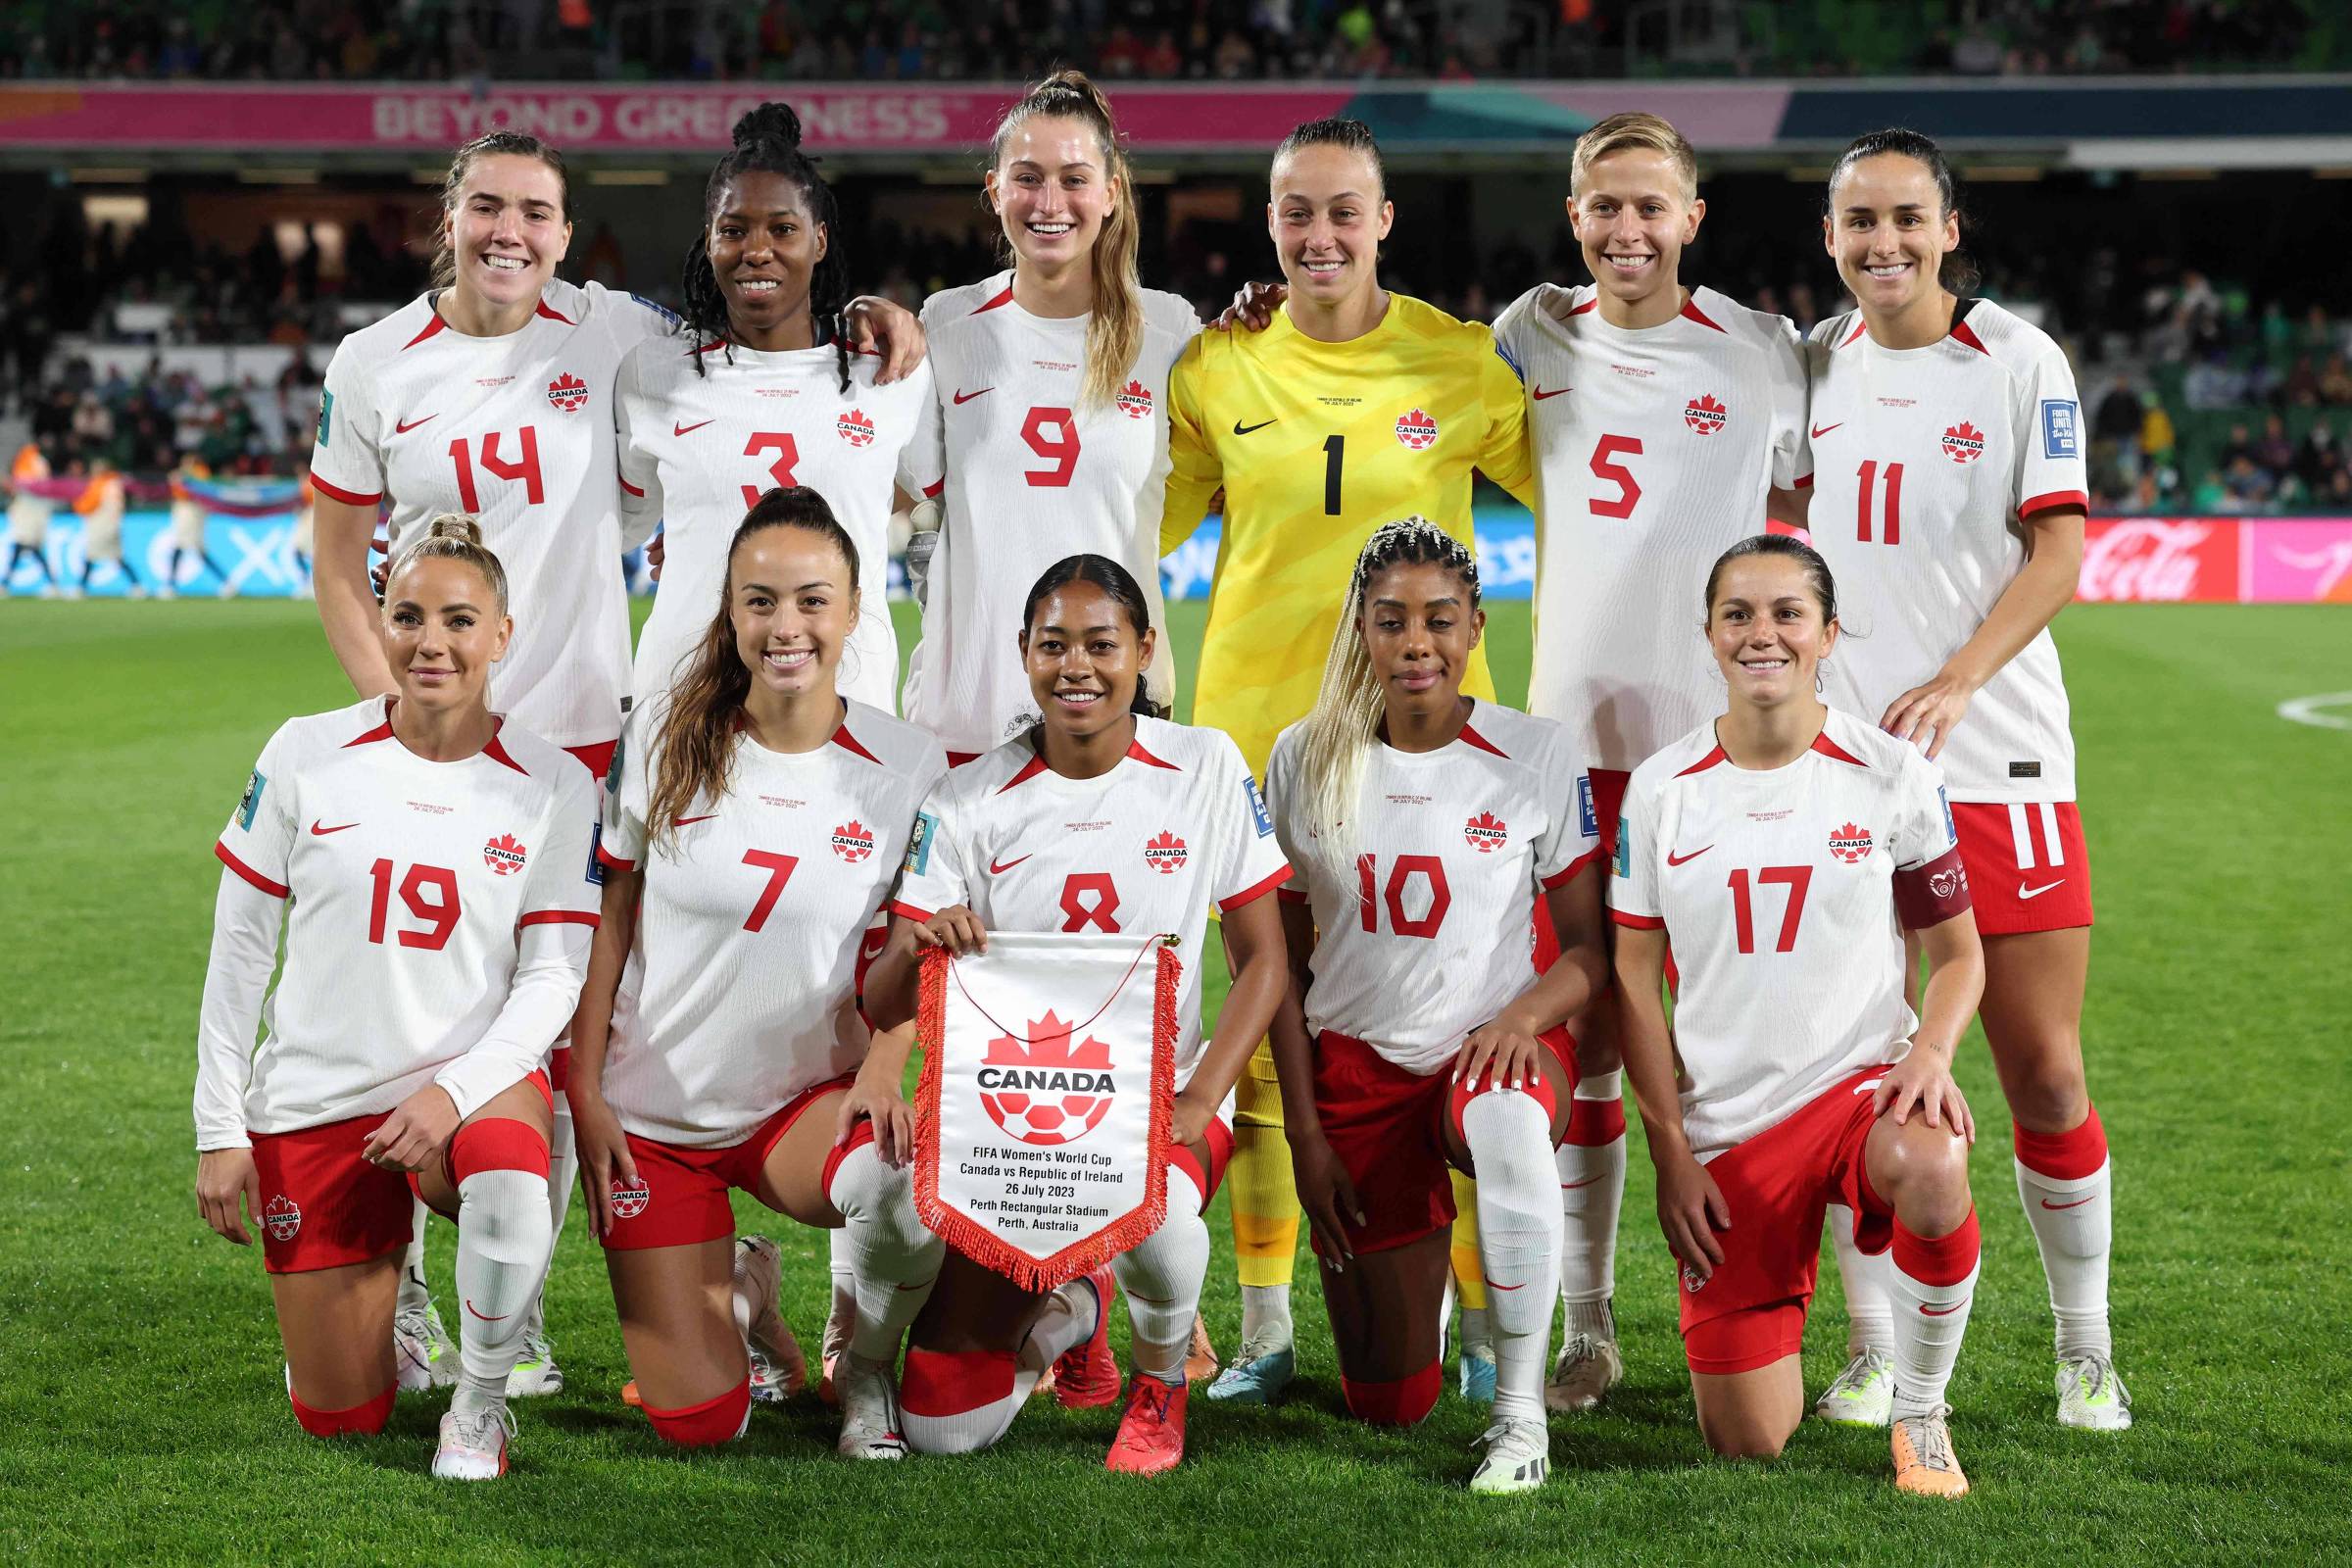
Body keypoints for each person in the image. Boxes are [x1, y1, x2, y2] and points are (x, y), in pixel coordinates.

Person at [305, 125, 928, 1395]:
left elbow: (770, 311)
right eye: (489, 207)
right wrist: (400, 726)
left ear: (566, 231)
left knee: (636, 1019)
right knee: (419, 1005)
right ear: (452, 213)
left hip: (593, 744)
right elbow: (333, 561)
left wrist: (880, 307)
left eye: (537, 212)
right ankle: (433, 1293)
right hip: (444, 739)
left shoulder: (615, 335)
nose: (510, 234)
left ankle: (561, 1308)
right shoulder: (374, 362)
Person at [1159, 117, 1534, 1403]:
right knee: (1271, 1038)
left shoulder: (1462, 360)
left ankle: (1486, 1326)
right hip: (1262, 752)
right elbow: (1125, 514)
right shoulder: (1215, 364)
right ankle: (1264, 1325)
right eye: (1295, 213)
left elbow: (1597, 492)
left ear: (1383, 222)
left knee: (1461, 1035)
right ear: (1270, 225)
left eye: (1342, 212)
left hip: (1434, 759)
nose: (1319, 236)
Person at [1488, 111, 1812, 1413]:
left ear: (1692, 217)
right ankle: (1592, 1329)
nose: (1627, 230)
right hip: (1567, 768)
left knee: (1745, 1052)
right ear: (1576, 219)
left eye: (1650, 207)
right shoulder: (1527, 337)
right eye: (1603, 208)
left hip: (1718, 768)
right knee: (1600, 1064)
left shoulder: (1766, 355)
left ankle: (1793, 1323)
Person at [1804, 128, 2127, 1432]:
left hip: (2003, 765)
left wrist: (1954, 679)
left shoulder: (2020, 359)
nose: (1882, 243)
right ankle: (1875, 1350)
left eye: (1905, 220)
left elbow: (2059, 553)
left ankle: (2084, 1351)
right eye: (1857, 223)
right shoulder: (1812, 365)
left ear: (1949, 231)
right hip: (1849, 784)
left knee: (2043, 1069)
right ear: (1830, 240)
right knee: (1864, 1070)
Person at [191, 516, 600, 1478]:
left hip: (468, 1090)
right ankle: (389, 1304)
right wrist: (221, 1127)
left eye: (460, 619)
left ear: (502, 633)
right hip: (318, 1103)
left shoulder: (556, 783)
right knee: (344, 1416)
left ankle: (482, 1401)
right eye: (409, 615)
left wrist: (451, 1093)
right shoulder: (303, 750)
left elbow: (553, 975)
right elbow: (241, 947)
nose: (432, 641)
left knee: (508, 1171)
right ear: (381, 621)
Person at [865, 554, 1290, 1475]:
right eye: (1053, 646)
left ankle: (1159, 1385)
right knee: (944, 1428)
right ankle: (1075, 1306)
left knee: (1162, 1220)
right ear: (1023, 654)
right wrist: (915, 947)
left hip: (1155, 1103)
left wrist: (1199, 1095)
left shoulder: (1205, 765)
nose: (1078, 668)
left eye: (1102, 645)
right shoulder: (967, 799)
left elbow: (1266, 962)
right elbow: (881, 999)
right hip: (1012, 1121)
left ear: (1144, 649)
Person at [570, 488, 947, 1457]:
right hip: (654, 1116)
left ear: (856, 610)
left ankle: (863, 1369)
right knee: (699, 1425)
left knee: (905, 1182)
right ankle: (748, 1295)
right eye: (762, 601)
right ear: (730, 612)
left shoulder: (908, 764)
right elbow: (606, 923)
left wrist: (884, 1060)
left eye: (812, 601)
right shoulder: (658, 733)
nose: (787, 626)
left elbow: (916, 948)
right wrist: (584, 1086)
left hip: (802, 1104)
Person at [1613, 533, 1985, 1495]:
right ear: (1708, 634)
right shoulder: (1660, 791)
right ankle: (1789, 1319)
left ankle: (1922, 1413)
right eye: (1738, 613)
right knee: (1746, 1441)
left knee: (1932, 1156)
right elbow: (1633, 979)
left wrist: (1932, 1052)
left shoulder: (1891, 772)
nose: (1762, 633)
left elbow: (1958, 954)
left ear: (1827, 634)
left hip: (1860, 1092)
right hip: (1730, 1129)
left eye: (1788, 614)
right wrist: (1672, 1150)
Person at [1263, 518, 1608, 1493]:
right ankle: (1447, 1313)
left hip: (1493, 1049)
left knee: (1505, 1123)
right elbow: (1278, 974)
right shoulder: (1302, 756)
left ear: (1475, 629)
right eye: (1392, 621)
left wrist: (1522, 1020)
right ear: (1360, 631)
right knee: (1387, 1399)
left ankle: (1521, 1419)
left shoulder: (1535, 752)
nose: (1417, 643)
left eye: (1440, 620)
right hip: (1356, 1065)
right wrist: (1306, 1133)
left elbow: (1588, 952)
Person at [899, 71, 1201, 762]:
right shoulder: (946, 325)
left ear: (1111, 192)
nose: (1050, 203)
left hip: (1120, 719)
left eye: (1073, 179)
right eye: (1028, 178)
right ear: (994, 188)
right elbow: (910, 489)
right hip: (965, 717)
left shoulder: (1174, 331)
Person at [619, 104, 939, 720]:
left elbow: (944, 505)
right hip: (684, 713)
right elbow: (624, 521)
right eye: (734, 229)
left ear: (819, 239)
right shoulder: (651, 373)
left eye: (783, 229)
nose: (757, 250)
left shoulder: (890, 370)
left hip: (849, 711)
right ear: (708, 240)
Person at [161, 454, 231, 599]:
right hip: (183, 510)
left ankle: (171, 585)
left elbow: (197, 489)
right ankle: (226, 582)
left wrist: (183, 476)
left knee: (184, 547)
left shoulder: (200, 472)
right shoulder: (183, 473)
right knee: (194, 549)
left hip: (192, 511)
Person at [74, 460, 139, 598]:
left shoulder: (101, 485)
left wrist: (77, 505)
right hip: (113, 526)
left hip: (101, 527)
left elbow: (88, 505)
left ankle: (81, 588)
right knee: (117, 558)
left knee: (91, 557)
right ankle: (137, 586)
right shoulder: (115, 483)